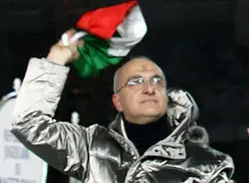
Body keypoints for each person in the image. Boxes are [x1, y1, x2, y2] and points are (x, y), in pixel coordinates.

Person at [12, 30, 234, 182]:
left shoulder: (207, 163)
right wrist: (55, 61)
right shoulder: (91, 148)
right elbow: (28, 124)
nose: (149, 88)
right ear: (117, 101)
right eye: (135, 81)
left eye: (157, 81)